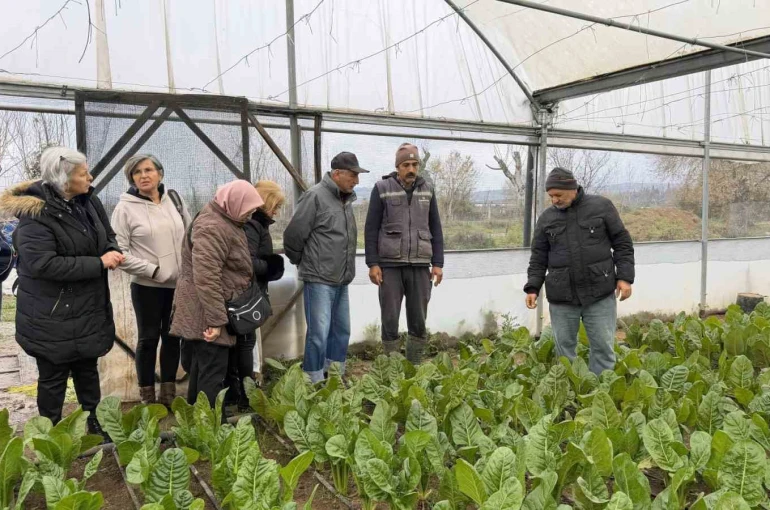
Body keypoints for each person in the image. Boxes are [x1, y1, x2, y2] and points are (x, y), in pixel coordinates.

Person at [0, 147, 124, 436]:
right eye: (83, 174)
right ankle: (51, 434)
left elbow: (108, 235)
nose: (90, 177)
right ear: (63, 178)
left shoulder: (86, 201)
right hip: (51, 313)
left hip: (87, 307)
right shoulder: (35, 214)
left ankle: (95, 422)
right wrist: (98, 262)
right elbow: (44, 264)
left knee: (87, 369)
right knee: (53, 377)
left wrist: (111, 250)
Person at [524, 167, 635, 375]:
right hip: (562, 296)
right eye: (550, 196)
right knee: (564, 350)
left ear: (572, 188)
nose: (554, 200)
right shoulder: (547, 219)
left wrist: (625, 277)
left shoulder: (601, 207)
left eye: (558, 195)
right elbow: (538, 256)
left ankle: (600, 392)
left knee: (603, 347)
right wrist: (532, 287)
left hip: (599, 293)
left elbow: (622, 243)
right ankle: (571, 393)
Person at [170, 180, 263, 406]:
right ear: (233, 202)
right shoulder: (212, 227)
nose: (250, 215)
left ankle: (198, 424)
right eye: (248, 209)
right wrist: (216, 321)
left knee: (204, 370)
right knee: (212, 374)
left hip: (211, 307)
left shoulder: (225, 219)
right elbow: (206, 277)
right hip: (206, 310)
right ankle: (211, 431)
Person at [111, 154, 190, 407]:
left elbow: (190, 236)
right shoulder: (124, 208)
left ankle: (169, 395)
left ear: (160, 173)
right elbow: (118, 253)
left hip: (178, 286)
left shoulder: (174, 200)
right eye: (137, 172)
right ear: (131, 179)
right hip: (147, 287)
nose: (143, 175)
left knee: (172, 337)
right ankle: (147, 397)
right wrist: (154, 271)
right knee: (148, 339)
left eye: (148, 170)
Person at [283, 152, 367, 383]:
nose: (356, 181)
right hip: (319, 278)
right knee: (319, 333)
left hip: (341, 278)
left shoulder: (345, 199)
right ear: (337, 173)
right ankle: (313, 378)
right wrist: (304, 261)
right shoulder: (315, 197)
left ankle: (335, 374)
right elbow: (293, 236)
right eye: (353, 175)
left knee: (342, 330)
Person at [364, 143, 444, 364]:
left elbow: (435, 227)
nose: (411, 169)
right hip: (390, 266)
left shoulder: (427, 189)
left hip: (420, 265)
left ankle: (414, 366)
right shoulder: (382, 188)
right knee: (389, 318)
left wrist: (438, 263)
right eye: (406, 164)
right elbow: (371, 228)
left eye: (415, 164)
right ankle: (392, 369)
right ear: (397, 166)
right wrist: (373, 263)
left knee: (418, 319)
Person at [226, 180, 285, 411]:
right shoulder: (253, 224)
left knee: (241, 343)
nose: (277, 211)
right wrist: (271, 266)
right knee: (244, 343)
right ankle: (244, 394)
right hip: (245, 294)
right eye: (276, 205)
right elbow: (245, 261)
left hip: (248, 291)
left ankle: (236, 392)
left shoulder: (257, 224)